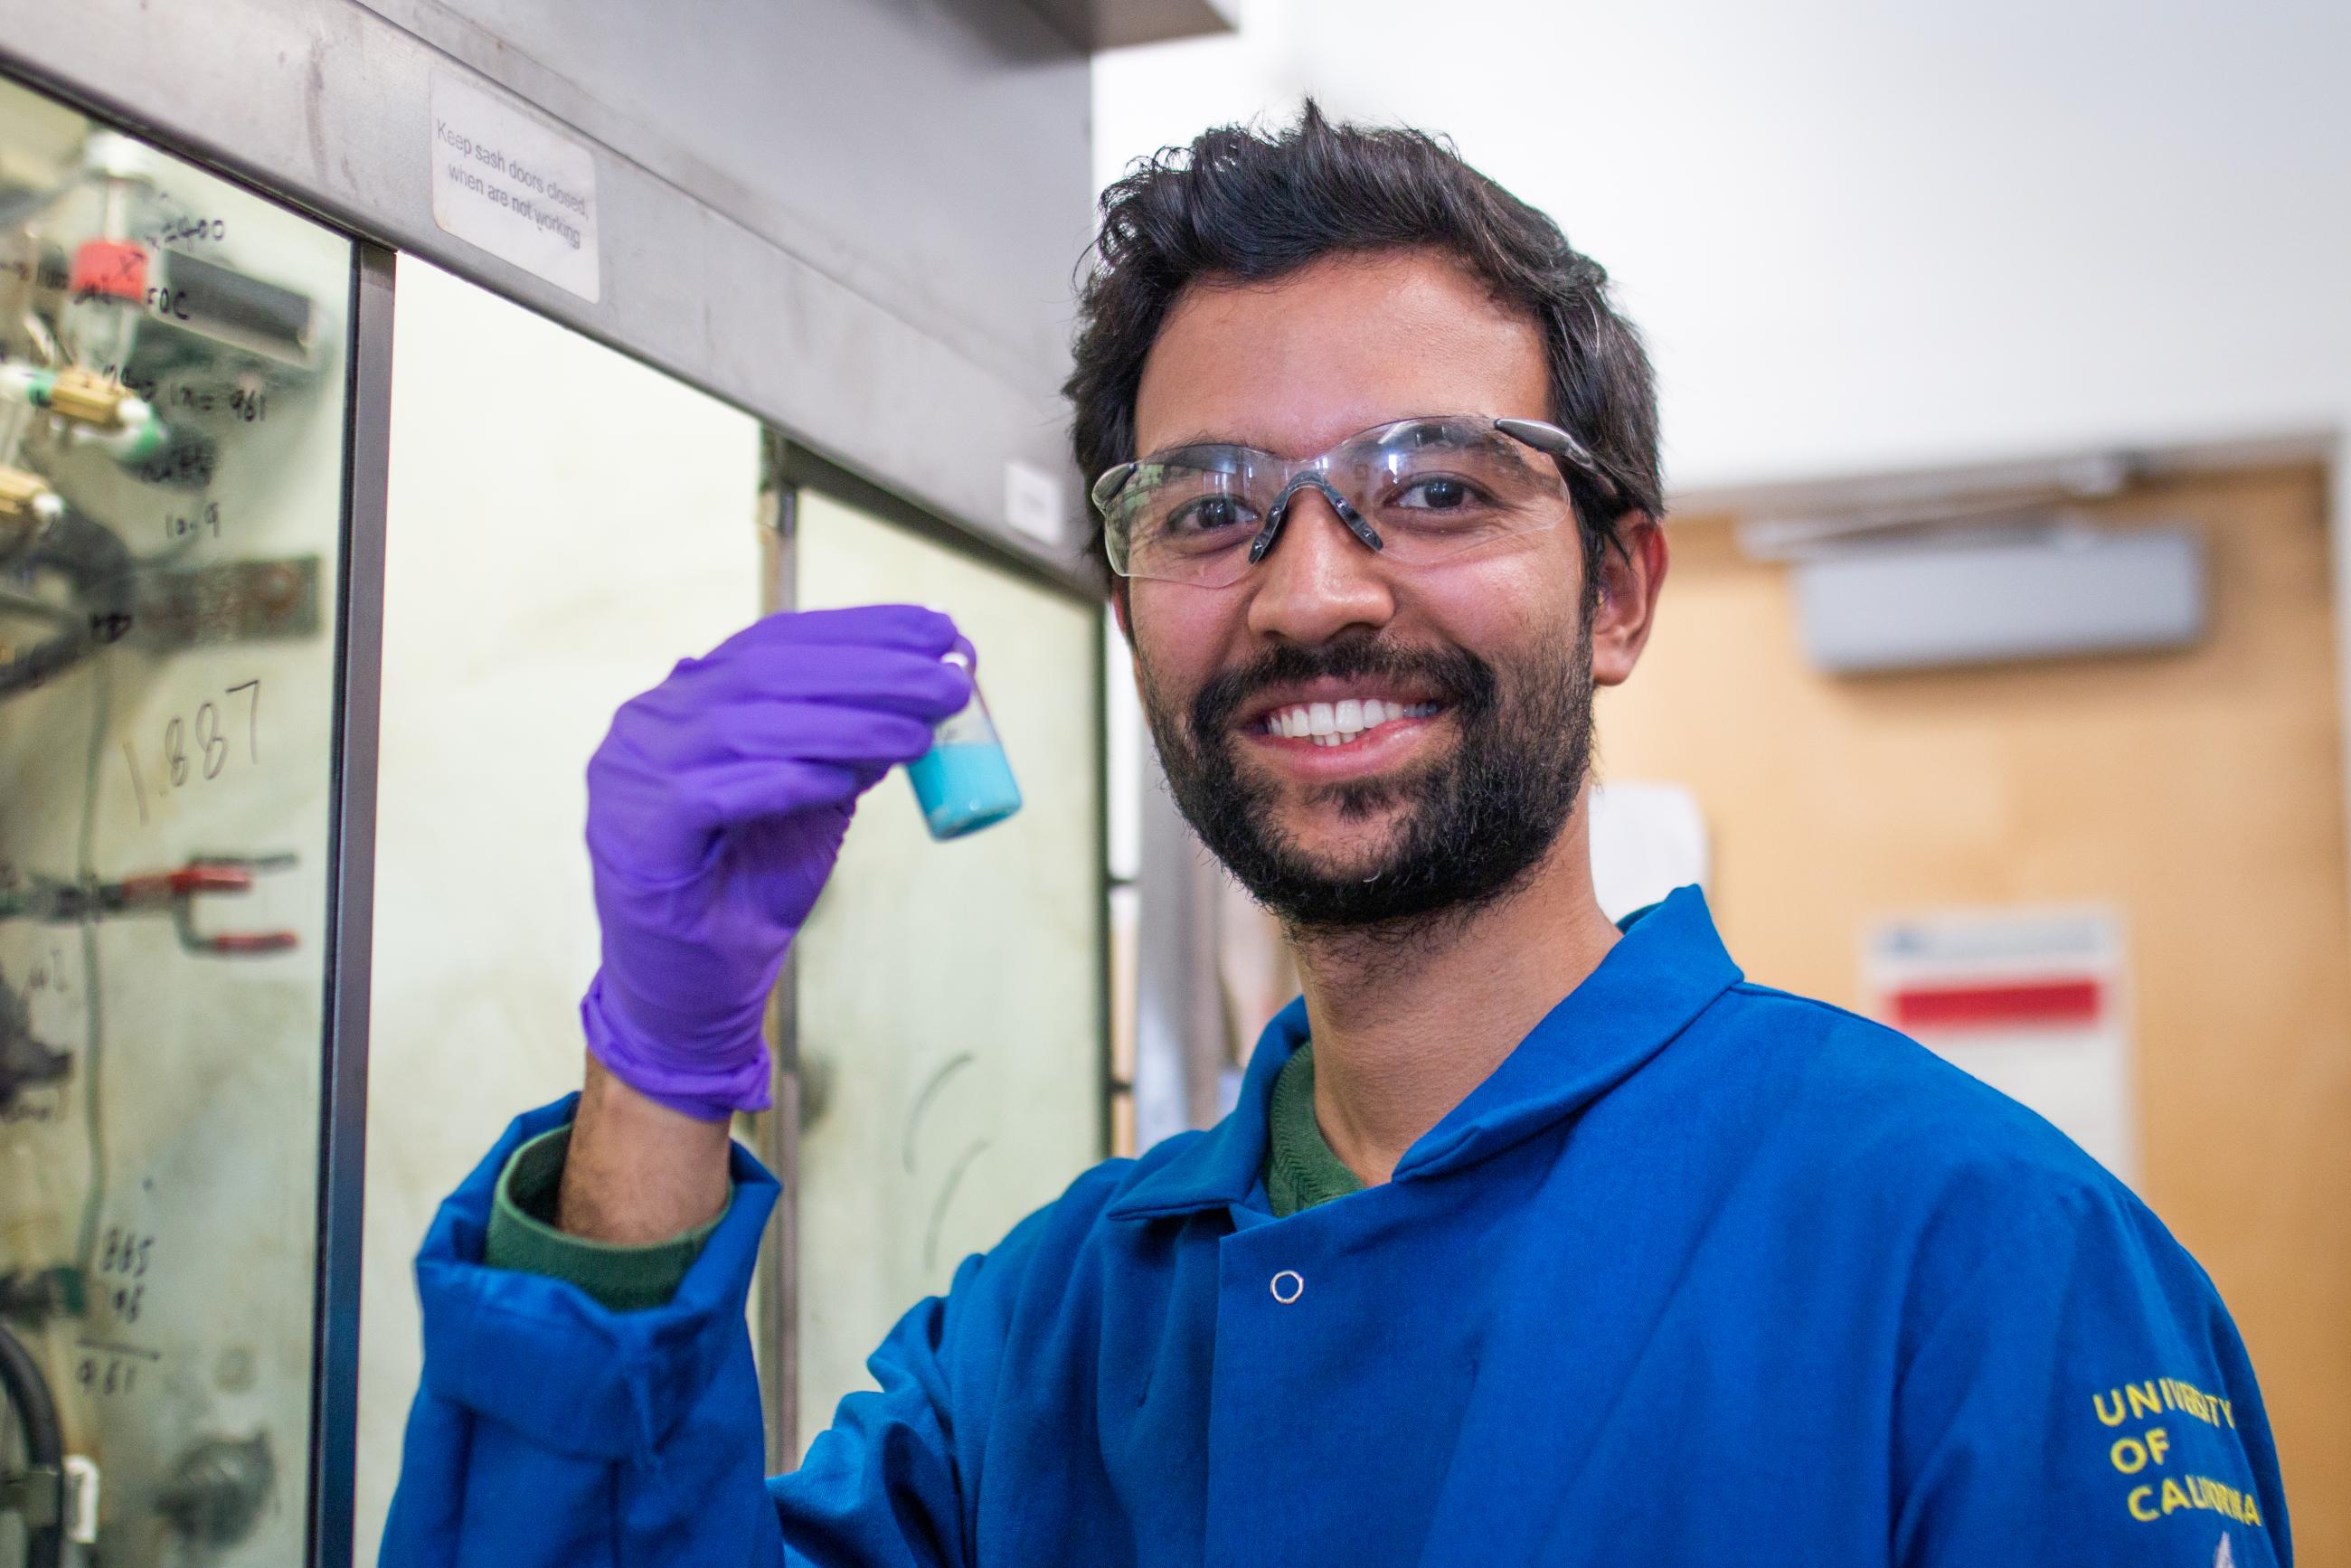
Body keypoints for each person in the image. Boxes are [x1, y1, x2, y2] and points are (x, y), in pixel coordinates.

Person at [380, 107, 2290, 1566]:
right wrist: (656, 1065)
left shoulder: (1968, 1253)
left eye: (1436, 488)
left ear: (1618, 590)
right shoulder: (1052, 1340)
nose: (1309, 595)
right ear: (1131, 603)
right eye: (1211, 510)